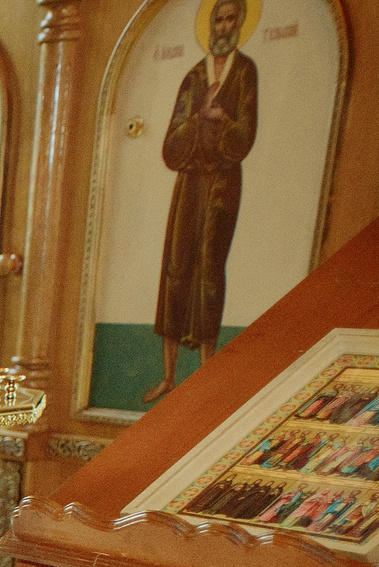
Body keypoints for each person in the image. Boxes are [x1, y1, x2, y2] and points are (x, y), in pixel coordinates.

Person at [144, 0, 258, 406]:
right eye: (219, 19)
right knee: (176, 265)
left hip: (223, 184)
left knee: (210, 267)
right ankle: (169, 376)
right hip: (190, 184)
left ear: (241, 23)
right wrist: (198, 119)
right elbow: (171, 142)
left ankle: (207, 372)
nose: (224, 26)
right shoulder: (194, 77)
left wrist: (224, 121)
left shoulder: (245, 73)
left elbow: (247, 131)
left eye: (231, 19)